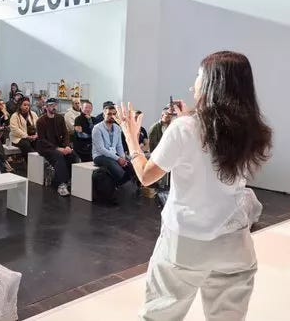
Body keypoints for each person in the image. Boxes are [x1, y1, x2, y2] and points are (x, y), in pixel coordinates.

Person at [116, 51, 272, 321]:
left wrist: (130, 137)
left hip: (186, 243)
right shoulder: (252, 131)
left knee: (161, 315)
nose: (193, 85)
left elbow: (146, 176)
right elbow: (211, 144)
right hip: (236, 245)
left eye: (199, 77)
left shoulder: (184, 129)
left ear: (212, 83)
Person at [92, 104, 136, 195]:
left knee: (130, 165)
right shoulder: (97, 128)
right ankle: (124, 187)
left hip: (113, 155)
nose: (112, 116)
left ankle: (119, 185)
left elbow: (119, 145)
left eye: (114, 114)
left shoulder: (117, 128)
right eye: (109, 114)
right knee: (114, 165)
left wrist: (122, 158)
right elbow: (101, 149)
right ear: (104, 115)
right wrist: (118, 159)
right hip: (99, 156)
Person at [35, 98, 76, 196]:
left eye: (55, 105)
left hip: (59, 145)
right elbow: (42, 139)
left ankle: (68, 180)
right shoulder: (41, 121)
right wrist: (57, 148)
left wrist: (67, 146)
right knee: (59, 156)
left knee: (72, 155)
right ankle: (61, 184)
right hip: (45, 147)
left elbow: (65, 133)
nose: (54, 107)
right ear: (46, 107)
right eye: (51, 105)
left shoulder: (60, 118)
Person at [9, 97, 38, 161]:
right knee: (26, 144)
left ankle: (40, 161)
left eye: (28, 105)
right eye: (25, 105)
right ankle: (32, 162)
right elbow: (15, 130)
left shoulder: (33, 114)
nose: (27, 107)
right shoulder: (15, 116)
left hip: (32, 137)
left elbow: (38, 126)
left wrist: (36, 135)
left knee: (39, 142)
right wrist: (27, 136)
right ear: (20, 105)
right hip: (18, 138)